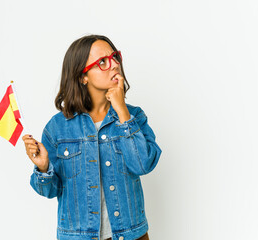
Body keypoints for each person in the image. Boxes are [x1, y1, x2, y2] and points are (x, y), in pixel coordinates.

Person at [22, 34, 162, 240]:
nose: (114, 64)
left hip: (131, 235)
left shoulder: (134, 116)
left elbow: (143, 164)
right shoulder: (57, 127)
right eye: (102, 62)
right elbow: (51, 191)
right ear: (82, 76)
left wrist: (122, 111)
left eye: (115, 57)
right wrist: (43, 168)